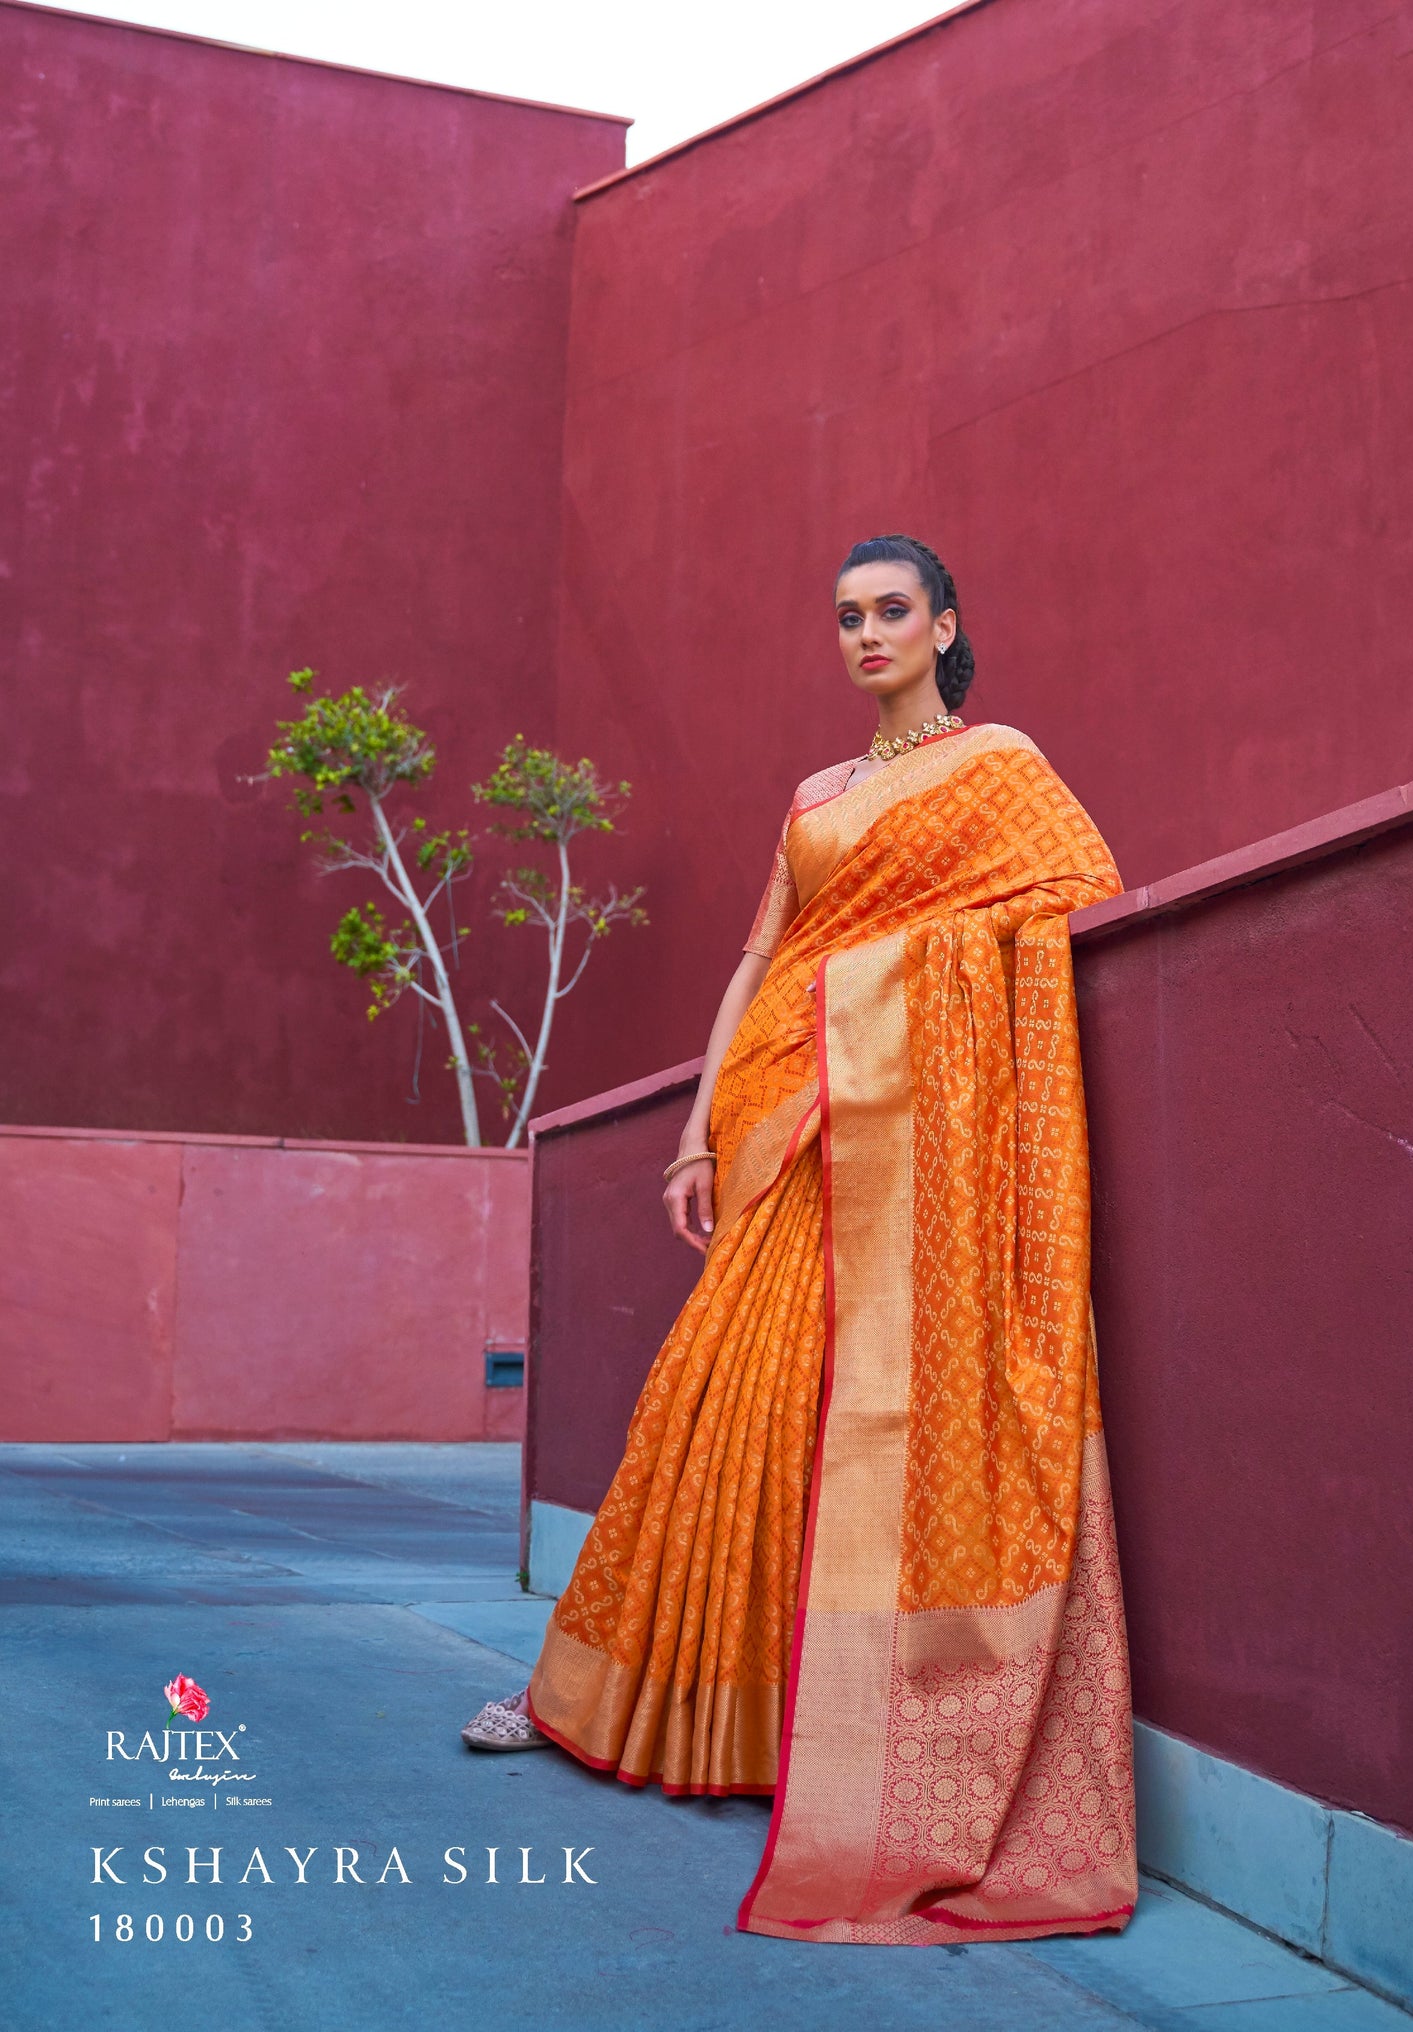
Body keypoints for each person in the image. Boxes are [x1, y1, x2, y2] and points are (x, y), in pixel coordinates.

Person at [460, 533, 1137, 1946]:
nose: (868, 633)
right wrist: (698, 1130)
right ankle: (606, 1696)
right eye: (846, 617)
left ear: (946, 624)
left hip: (910, 1144)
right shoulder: (816, 796)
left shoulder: (998, 767)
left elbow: (1064, 902)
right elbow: (759, 963)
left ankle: (822, 1738)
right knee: (715, 1412)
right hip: (788, 1119)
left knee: (852, 1433)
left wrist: (898, 1001)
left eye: (893, 611)